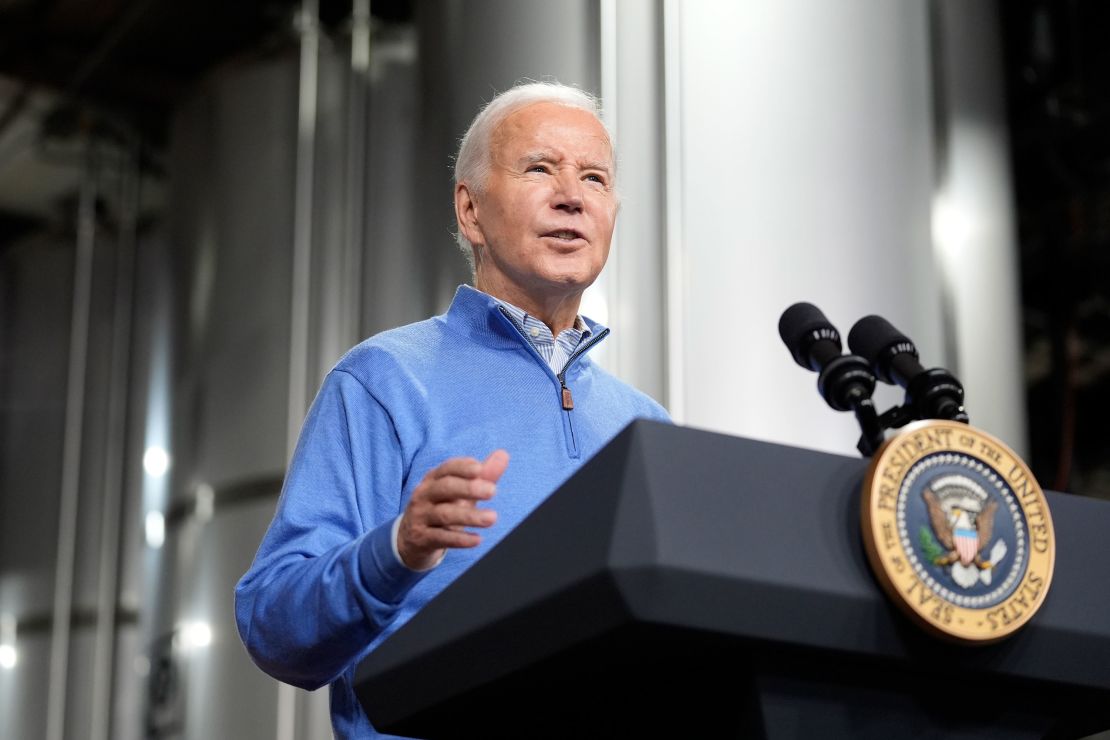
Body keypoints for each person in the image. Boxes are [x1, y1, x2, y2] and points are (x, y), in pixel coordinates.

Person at [234, 80, 670, 739]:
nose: (572, 196)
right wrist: (396, 550)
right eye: (540, 168)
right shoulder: (383, 380)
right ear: (471, 212)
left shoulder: (646, 425)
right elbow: (274, 628)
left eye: (594, 178)